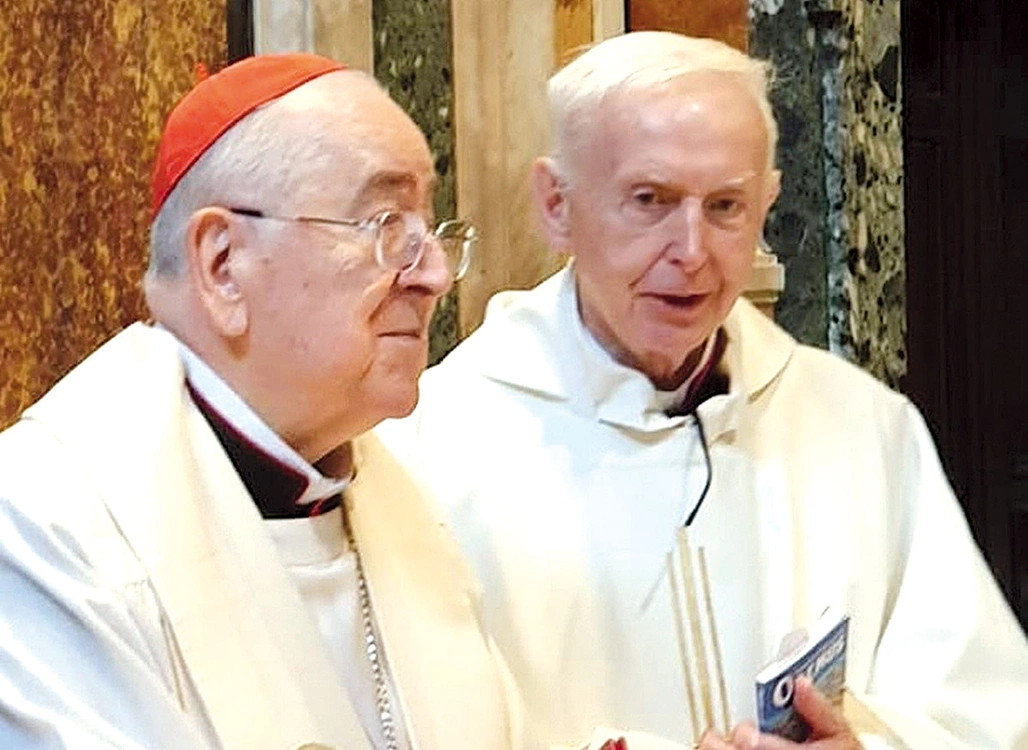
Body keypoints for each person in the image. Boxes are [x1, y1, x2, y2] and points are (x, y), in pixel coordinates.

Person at [376, 32, 1028, 750]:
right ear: (557, 204)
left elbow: (984, 714)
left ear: (767, 204)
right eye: (649, 200)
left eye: (725, 206)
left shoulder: (863, 427)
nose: (691, 252)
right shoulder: (426, 455)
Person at [0, 54, 521, 750]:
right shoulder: (43, 527)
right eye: (386, 226)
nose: (433, 275)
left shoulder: (403, 496)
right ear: (223, 265)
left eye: (430, 230)